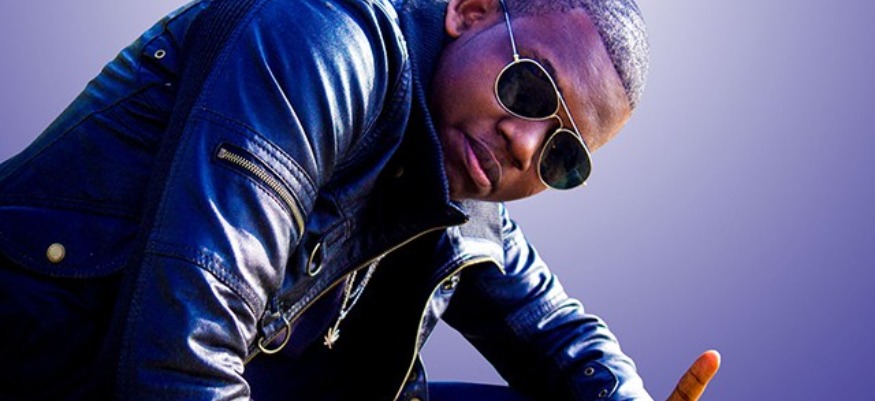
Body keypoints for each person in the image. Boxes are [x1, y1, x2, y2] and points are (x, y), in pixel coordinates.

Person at [0, 0, 719, 399]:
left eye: (562, 155)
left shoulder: (463, 184)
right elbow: (178, 361)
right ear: (469, 11)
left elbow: (560, 335)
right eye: (529, 88)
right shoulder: (323, 39)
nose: (526, 147)